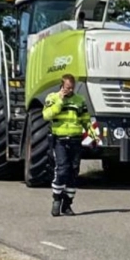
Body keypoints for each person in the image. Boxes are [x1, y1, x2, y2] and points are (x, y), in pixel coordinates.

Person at [43, 73, 92, 216]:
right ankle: (56, 200)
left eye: (72, 88)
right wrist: (60, 101)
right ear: (62, 86)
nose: (70, 91)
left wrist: (91, 131)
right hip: (60, 139)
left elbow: (85, 118)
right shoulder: (52, 98)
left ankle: (67, 204)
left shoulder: (80, 100)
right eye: (67, 88)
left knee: (74, 171)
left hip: (75, 140)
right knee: (62, 169)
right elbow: (46, 115)